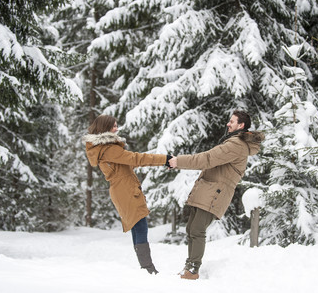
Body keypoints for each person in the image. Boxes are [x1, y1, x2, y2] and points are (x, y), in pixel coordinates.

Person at [169, 110, 265, 280]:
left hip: (215, 193)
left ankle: (192, 270)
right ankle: (189, 267)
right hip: (208, 189)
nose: (228, 124)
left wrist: (179, 161)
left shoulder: (236, 145)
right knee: (191, 228)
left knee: (197, 229)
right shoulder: (233, 142)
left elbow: (207, 158)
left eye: (232, 121)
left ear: (241, 125)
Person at [82, 114, 171, 274]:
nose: (117, 129)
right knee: (140, 227)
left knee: (137, 226)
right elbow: (136, 158)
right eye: (113, 126)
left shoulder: (103, 149)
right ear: (105, 128)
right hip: (126, 190)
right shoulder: (109, 149)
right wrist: (164, 159)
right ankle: (148, 269)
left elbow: (125, 166)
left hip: (122, 189)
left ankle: (146, 268)